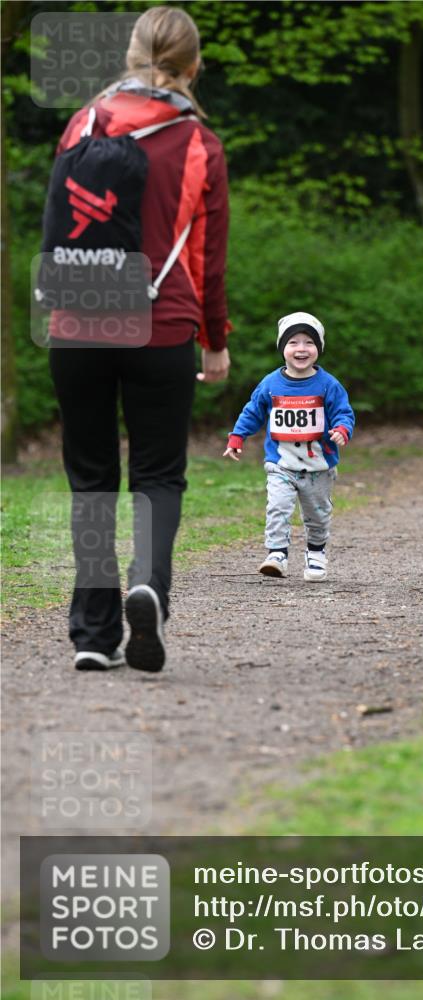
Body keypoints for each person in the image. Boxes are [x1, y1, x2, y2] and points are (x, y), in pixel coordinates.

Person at [46, 6, 231, 673]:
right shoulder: (198, 144)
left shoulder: (82, 123)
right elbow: (207, 258)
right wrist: (215, 339)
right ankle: (148, 582)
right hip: (160, 322)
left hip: (75, 321)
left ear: (130, 57)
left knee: (91, 479)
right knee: (157, 474)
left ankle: (94, 636)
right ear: (193, 65)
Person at [223, 312, 355, 582]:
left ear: (319, 348)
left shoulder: (328, 385)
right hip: (280, 463)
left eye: (309, 342)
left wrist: (342, 430)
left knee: (318, 514)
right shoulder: (271, 383)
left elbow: (344, 413)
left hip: (319, 465)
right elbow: (252, 411)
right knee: (278, 507)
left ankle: (316, 553)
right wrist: (237, 436)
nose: (301, 349)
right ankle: (277, 554)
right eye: (293, 342)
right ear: (282, 347)